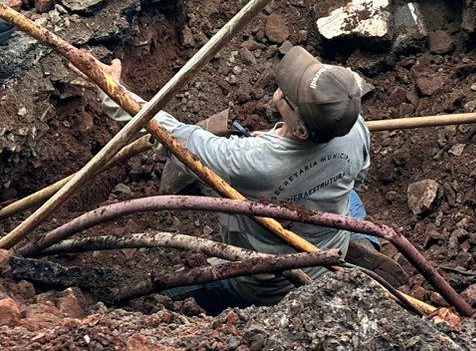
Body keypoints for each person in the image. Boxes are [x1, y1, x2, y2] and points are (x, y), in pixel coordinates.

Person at [92, 46, 369, 312]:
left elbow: (171, 135)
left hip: (270, 284)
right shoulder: (352, 125)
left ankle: (156, 304)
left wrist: (112, 92)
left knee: (165, 291)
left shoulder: (249, 160)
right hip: (331, 248)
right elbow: (357, 178)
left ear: (302, 131)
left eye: (288, 93)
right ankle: (363, 248)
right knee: (347, 193)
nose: (283, 86)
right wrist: (282, 145)